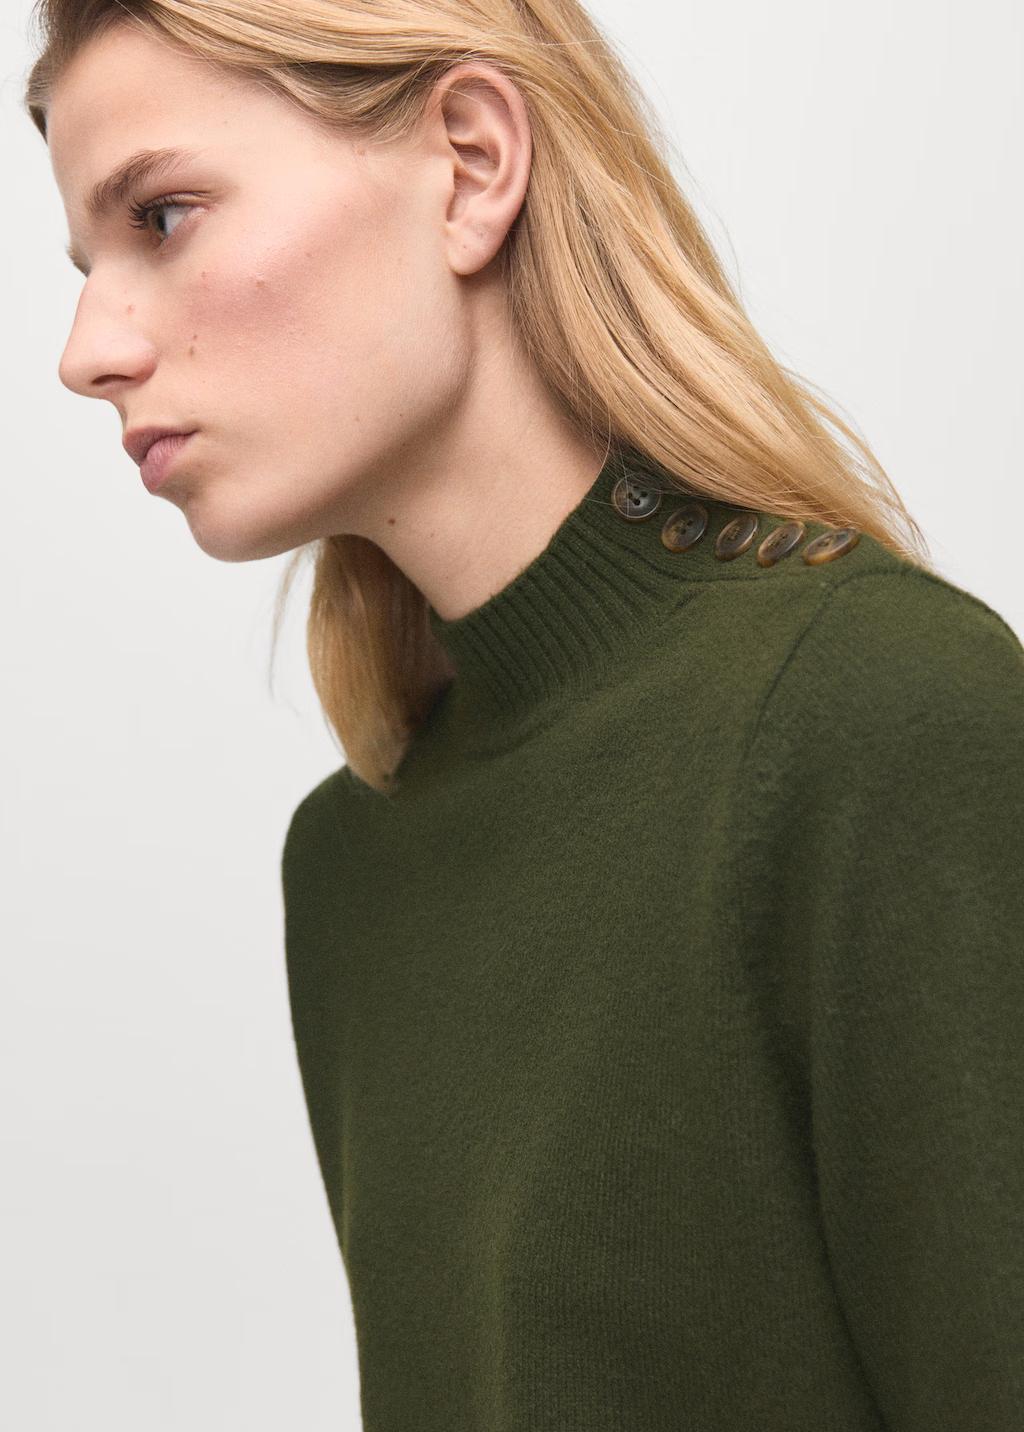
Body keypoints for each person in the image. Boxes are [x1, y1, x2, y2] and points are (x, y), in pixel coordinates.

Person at [28, 0, 1024, 1428]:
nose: (88, 349)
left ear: (472, 164)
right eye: (89, 264)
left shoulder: (875, 721)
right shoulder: (355, 863)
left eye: (164, 218)